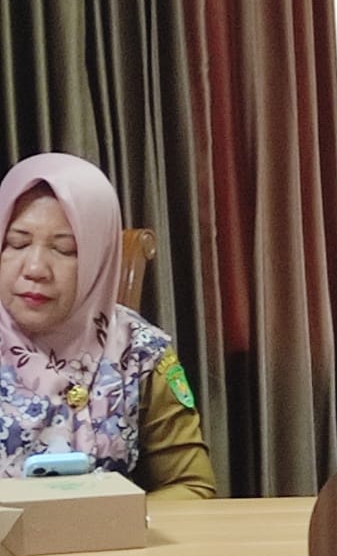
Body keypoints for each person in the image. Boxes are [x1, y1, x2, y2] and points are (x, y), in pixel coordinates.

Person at [0, 152, 216, 499]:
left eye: (65, 249)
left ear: (100, 259)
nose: (36, 268)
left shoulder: (139, 351)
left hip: (113, 534)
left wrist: (111, 520)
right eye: (17, 243)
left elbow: (191, 487)